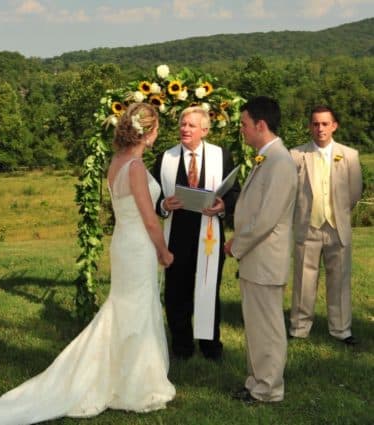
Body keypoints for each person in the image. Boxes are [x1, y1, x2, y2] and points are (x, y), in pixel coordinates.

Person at [0, 102, 176, 425]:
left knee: (128, 307)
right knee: (138, 308)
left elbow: (133, 208)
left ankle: (127, 374)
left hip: (123, 242)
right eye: (157, 129)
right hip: (138, 244)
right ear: (149, 132)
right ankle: (136, 385)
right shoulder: (134, 168)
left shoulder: (117, 162)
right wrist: (164, 251)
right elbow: (149, 219)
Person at [224, 96, 297, 403]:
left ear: (261, 125)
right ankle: (257, 381)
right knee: (255, 326)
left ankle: (269, 389)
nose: (241, 130)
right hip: (257, 258)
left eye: (244, 124)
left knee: (267, 327)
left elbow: (266, 218)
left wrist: (236, 245)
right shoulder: (267, 157)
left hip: (265, 259)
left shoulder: (280, 161)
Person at [152, 106, 239, 360]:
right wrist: (163, 205)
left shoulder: (221, 156)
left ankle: (211, 347)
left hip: (209, 236)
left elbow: (234, 192)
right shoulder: (165, 158)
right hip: (176, 236)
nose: (185, 129)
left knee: (208, 290)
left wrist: (224, 206)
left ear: (205, 129)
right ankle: (181, 347)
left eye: (191, 125)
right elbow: (154, 194)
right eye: (182, 124)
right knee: (176, 293)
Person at [288, 106, 362, 345]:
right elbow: (291, 191)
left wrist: (338, 213)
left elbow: (353, 192)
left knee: (339, 279)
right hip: (307, 226)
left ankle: (341, 329)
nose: (320, 128)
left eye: (325, 123)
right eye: (315, 123)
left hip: (336, 226)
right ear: (310, 126)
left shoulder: (349, 155)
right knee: (303, 279)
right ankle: (299, 327)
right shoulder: (296, 155)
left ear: (334, 126)